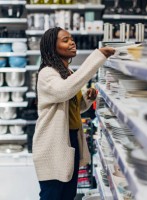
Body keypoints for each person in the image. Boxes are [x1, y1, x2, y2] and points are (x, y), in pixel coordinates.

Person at [33, 27, 115, 200]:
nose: (72, 42)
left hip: (70, 140)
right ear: (52, 47)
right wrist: (97, 56)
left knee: (68, 194)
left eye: (71, 39)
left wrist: (86, 99)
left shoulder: (67, 73)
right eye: (65, 40)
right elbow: (64, 91)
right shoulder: (47, 73)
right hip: (53, 144)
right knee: (53, 195)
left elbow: (71, 109)